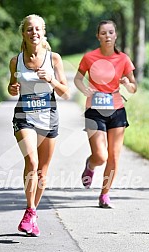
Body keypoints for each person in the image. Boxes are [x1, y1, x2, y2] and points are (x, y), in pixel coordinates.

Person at [8, 14, 69, 236]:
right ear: (23, 33)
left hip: (49, 117)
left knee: (42, 171)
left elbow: (66, 93)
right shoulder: (16, 60)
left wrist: (51, 80)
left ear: (43, 32)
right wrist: (12, 89)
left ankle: (32, 213)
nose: (34, 33)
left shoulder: (54, 59)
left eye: (38, 29)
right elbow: (12, 86)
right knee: (32, 161)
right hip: (24, 116)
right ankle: (30, 210)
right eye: (29, 29)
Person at [74, 20, 137, 208]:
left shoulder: (124, 59)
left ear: (115, 35)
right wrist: (84, 89)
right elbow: (78, 79)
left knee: (114, 156)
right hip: (95, 110)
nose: (107, 36)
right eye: (103, 33)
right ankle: (91, 165)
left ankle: (105, 194)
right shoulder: (89, 57)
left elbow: (133, 88)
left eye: (110, 32)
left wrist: (127, 83)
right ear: (98, 36)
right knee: (100, 155)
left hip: (117, 110)